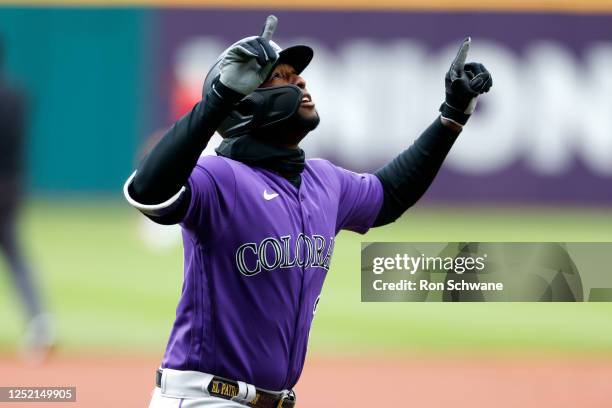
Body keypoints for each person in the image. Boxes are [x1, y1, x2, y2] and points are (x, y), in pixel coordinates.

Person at [124, 15, 491, 408]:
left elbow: (389, 195)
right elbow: (150, 193)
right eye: (280, 76)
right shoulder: (220, 177)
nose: (300, 81)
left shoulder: (323, 181)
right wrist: (217, 101)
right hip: (206, 399)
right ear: (243, 103)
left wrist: (452, 115)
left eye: (297, 74)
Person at [0, 37, 54, 361]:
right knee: (15, 255)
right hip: (12, 186)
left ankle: (39, 323)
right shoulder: (18, 94)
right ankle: (40, 322)